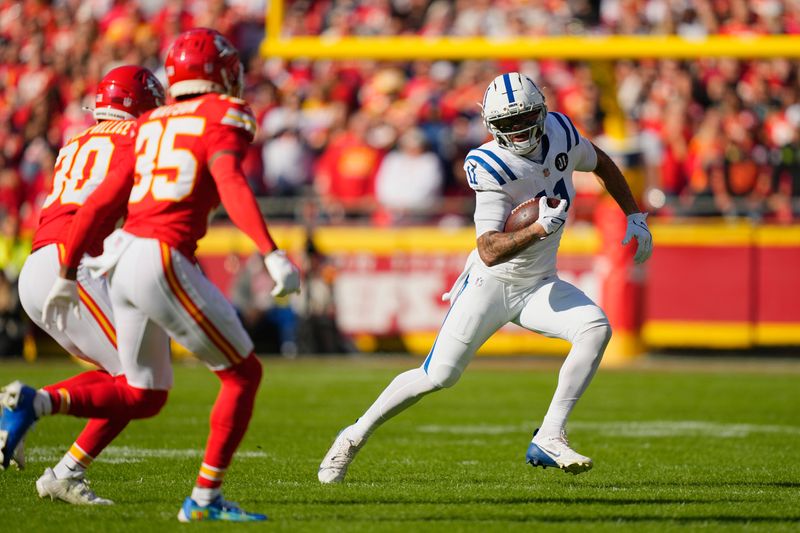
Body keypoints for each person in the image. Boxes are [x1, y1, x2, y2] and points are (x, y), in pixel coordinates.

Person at [0, 28, 301, 522]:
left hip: (96, 258)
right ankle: (201, 498)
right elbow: (227, 181)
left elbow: (97, 203)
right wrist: (270, 252)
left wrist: (68, 267)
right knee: (237, 375)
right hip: (138, 256)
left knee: (142, 391)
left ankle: (60, 458)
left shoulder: (118, 133)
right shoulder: (207, 118)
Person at [318, 73, 653, 483]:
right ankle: (352, 436)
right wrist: (537, 230)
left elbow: (599, 160)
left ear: (542, 111)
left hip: (538, 283)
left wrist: (633, 213)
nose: (518, 130)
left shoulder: (561, 131)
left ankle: (550, 435)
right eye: (507, 123)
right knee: (438, 376)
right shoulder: (489, 164)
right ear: (491, 126)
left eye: (524, 118)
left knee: (595, 328)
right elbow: (488, 250)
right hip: (490, 286)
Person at [1, 66, 165, 506]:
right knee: (138, 383)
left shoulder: (75, 141)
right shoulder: (136, 140)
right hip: (71, 267)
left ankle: (35, 427)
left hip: (41, 265)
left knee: (117, 377)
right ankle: (44, 435)